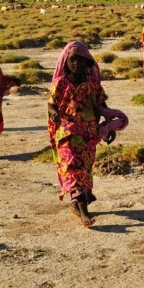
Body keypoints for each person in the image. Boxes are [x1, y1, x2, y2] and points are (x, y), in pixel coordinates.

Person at [48, 41, 128, 227]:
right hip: (67, 133)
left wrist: (109, 126)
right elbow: (51, 103)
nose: (76, 63)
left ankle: (77, 204)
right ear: (66, 61)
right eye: (73, 59)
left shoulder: (93, 85)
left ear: (87, 63)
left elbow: (101, 106)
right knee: (72, 168)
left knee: (84, 170)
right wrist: (53, 114)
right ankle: (84, 212)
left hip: (89, 134)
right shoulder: (60, 83)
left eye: (80, 60)